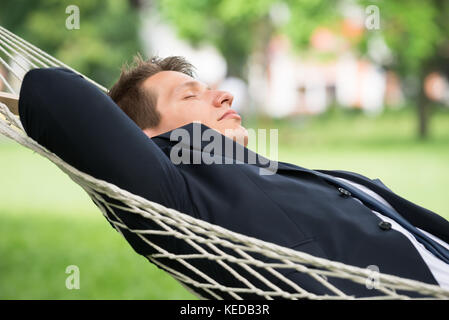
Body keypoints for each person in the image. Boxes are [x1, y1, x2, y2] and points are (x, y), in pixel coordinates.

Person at [18, 55, 449, 299]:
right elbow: (48, 88)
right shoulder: (177, 195)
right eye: (191, 95)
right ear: (142, 140)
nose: (223, 94)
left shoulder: (259, 172)